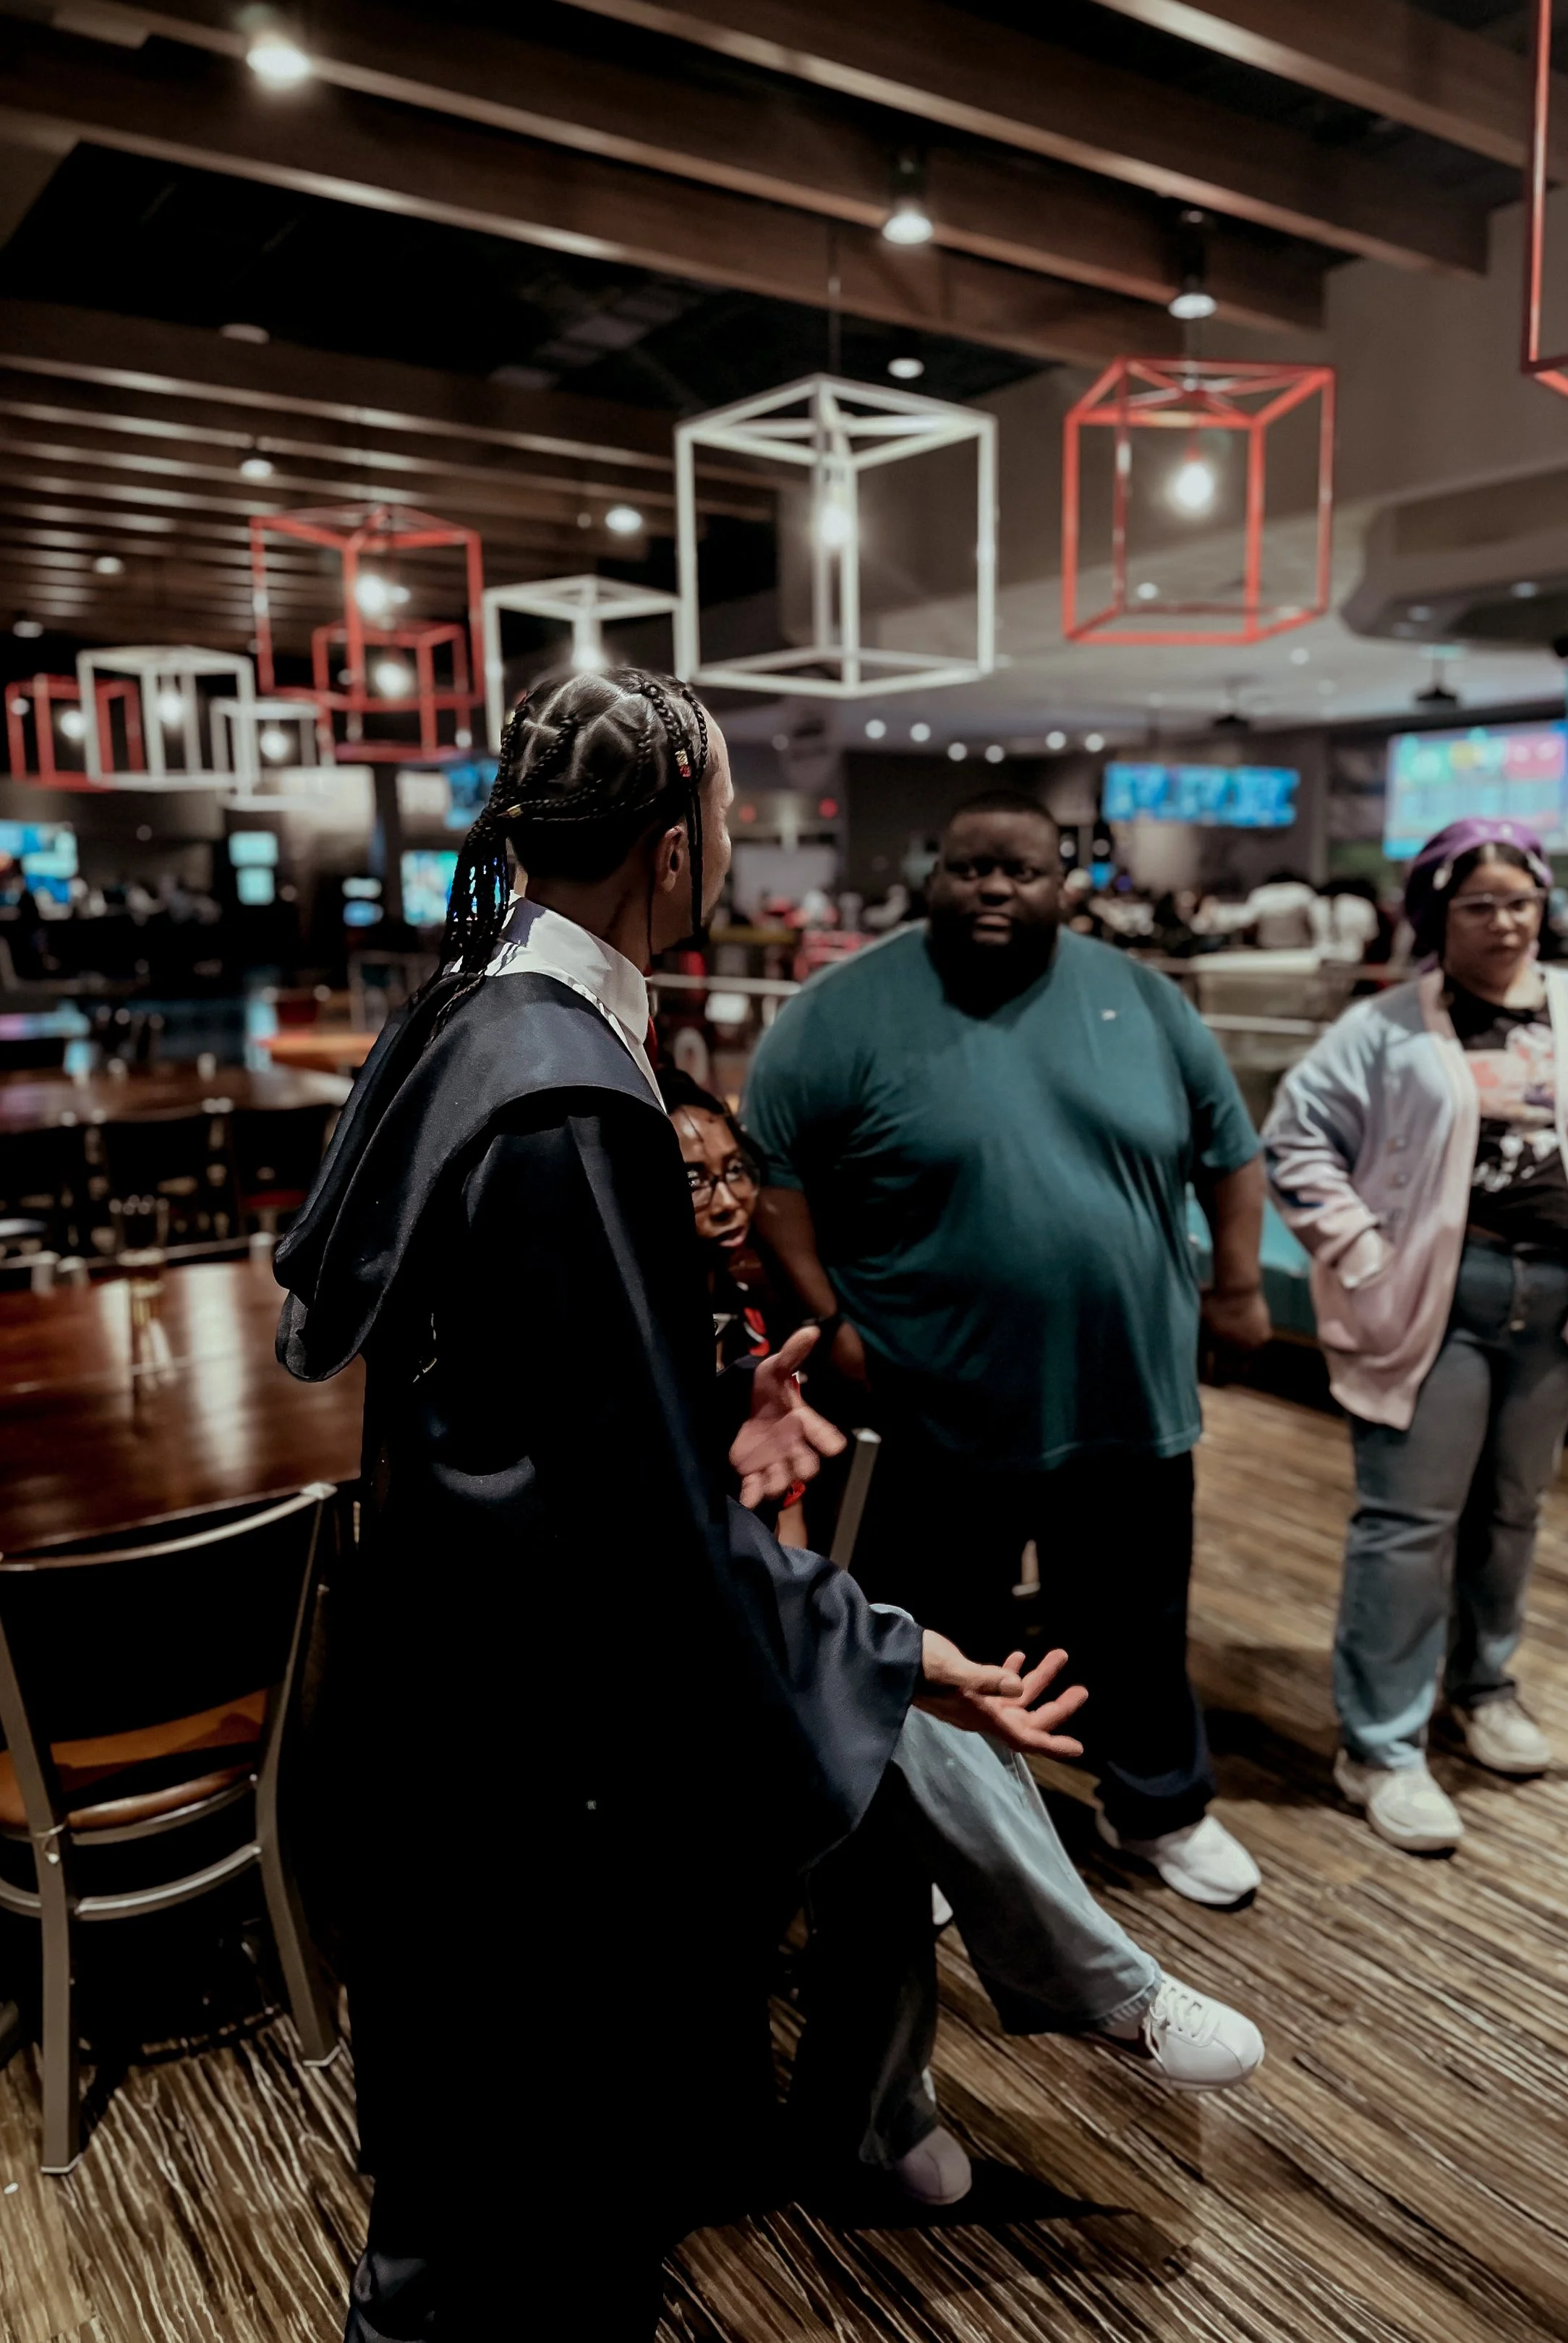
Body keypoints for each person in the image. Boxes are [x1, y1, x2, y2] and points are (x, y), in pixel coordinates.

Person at [275, 676, 1099, 2335]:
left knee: (469, 2165)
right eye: (721, 816)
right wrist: (888, 1647)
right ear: (671, 849)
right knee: (523, 2226)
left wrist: (701, 1392)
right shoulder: (570, 1086)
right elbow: (636, 1526)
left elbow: (484, 1366)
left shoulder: (472, 1009)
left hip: (449, 1664)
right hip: (531, 1717)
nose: (726, 845)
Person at [660, 1065, 1266, 2204]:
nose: (725, 1197)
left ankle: (873, 2126)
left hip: (752, 1647)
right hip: (652, 1679)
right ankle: (1098, 1994)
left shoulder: (742, 1326)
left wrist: (840, 1636)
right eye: (689, 1178)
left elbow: (788, 1563)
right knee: (889, 1703)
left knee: (881, 1739)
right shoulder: (635, 1341)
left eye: (735, 1169)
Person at [743, 790, 1271, 1910]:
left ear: (1061, 884)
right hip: (933, 1388)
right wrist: (826, 1315)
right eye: (970, 867)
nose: (994, 889)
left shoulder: (1142, 1000)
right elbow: (773, 1169)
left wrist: (1236, 1287)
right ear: (935, 875)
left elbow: (1230, 1151)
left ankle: (1155, 1806)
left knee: (1130, 1617)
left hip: (1124, 1388)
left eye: (1020, 872)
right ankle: (944, 1833)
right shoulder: (842, 1009)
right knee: (941, 1626)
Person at [1263, 817, 1568, 1854]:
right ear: (1435, 916)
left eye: (1521, 902)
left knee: (1514, 1510)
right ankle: (1380, 1745)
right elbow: (1296, 1137)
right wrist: (1363, 1253)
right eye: (1479, 905)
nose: (1505, 923)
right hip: (1439, 1302)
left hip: (1561, 1298)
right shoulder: (1384, 1027)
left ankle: (1482, 1689)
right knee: (1408, 1521)